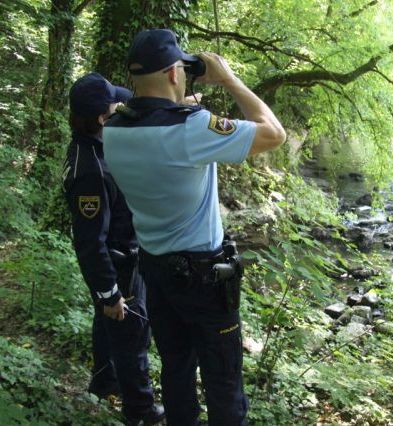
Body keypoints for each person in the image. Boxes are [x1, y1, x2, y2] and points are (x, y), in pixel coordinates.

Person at [103, 29, 286, 425]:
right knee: (223, 381)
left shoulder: (113, 130)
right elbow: (275, 134)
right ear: (174, 73)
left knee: (176, 369)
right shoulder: (193, 129)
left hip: (155, 272)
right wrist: (229, 79)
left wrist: (180, 108)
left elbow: (155, 126)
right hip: (205, 279)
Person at [63, 72, 165, 425]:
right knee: (132, 335)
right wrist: (109, 292)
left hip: (121, 261)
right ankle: (140, 409)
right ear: (100, 118)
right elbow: (90, 242)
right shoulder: (90, 172)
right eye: (112, 107)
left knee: (109, 324)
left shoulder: (93, 145)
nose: (119, 108)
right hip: (119, 267)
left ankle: (104, 383)